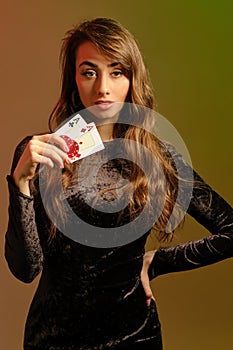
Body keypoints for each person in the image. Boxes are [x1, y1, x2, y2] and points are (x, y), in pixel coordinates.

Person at [5, 17, 233, 350]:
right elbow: (26, 270)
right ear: (73, 81)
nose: (102, 88)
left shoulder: (156, 156)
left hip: (135, 336)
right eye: (89, 72)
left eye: (116, 71)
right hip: (54, 339)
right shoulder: (41, 153)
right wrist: (20, 182)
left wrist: (157, 261)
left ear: (132, 79)